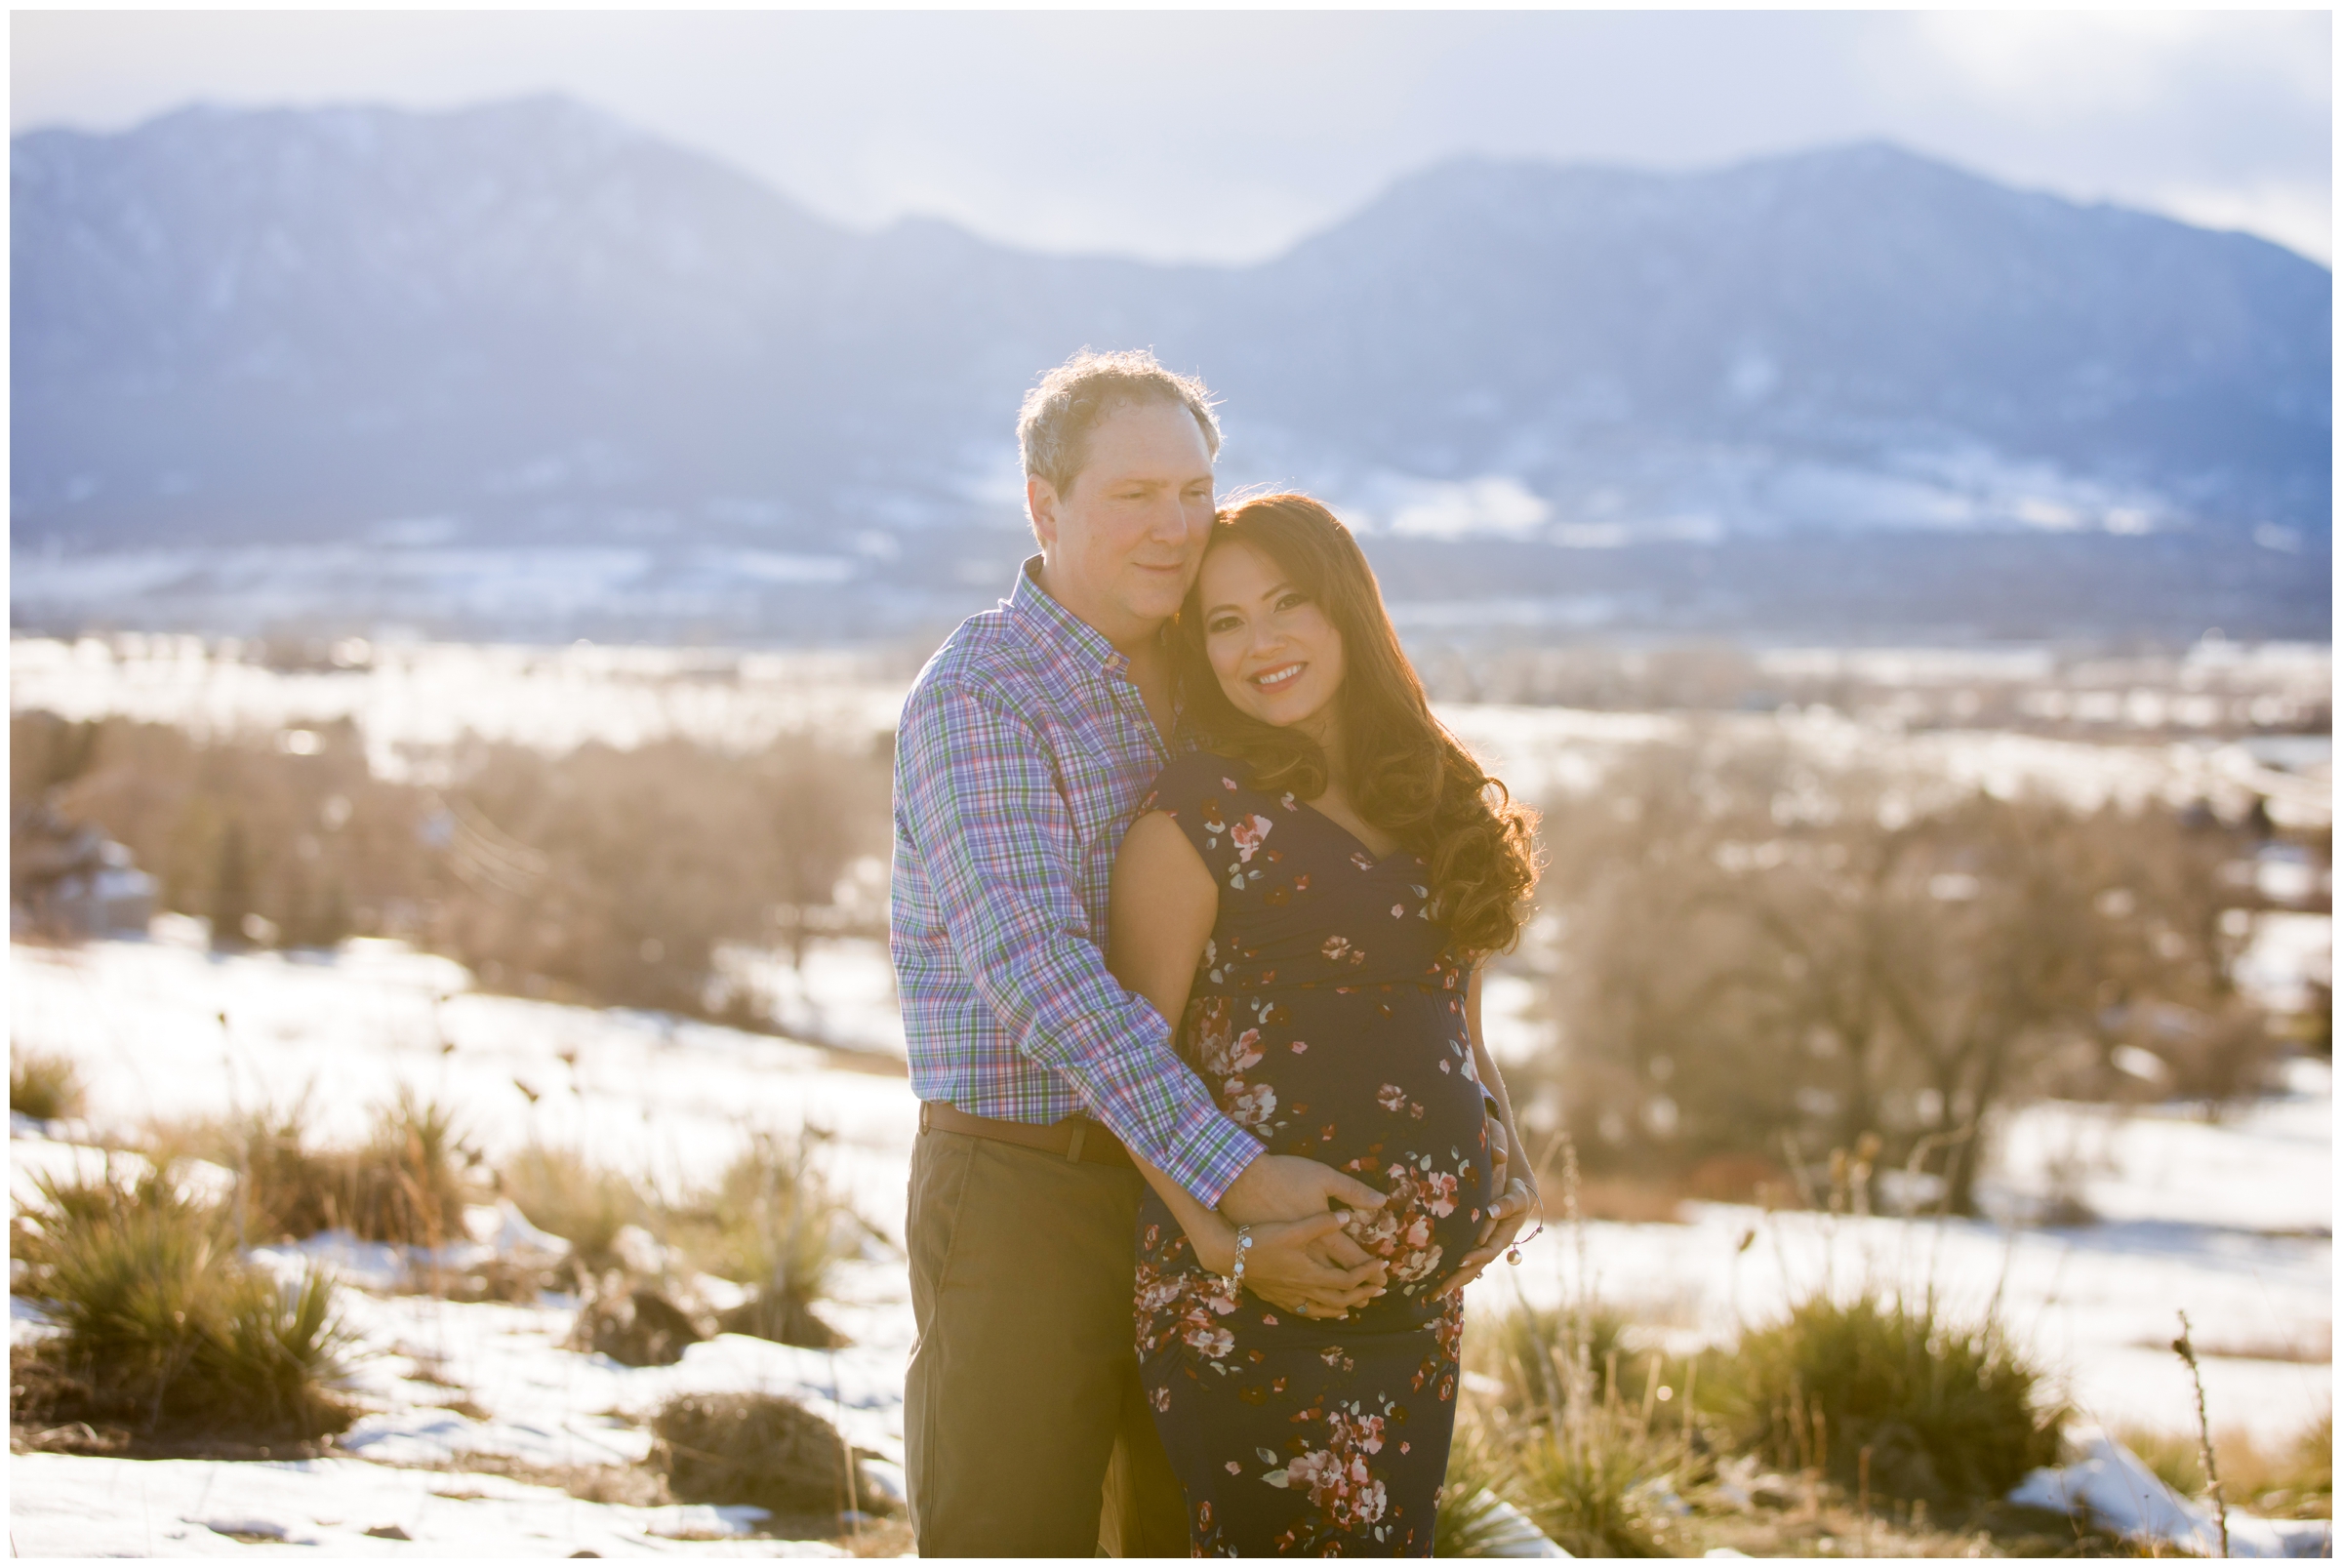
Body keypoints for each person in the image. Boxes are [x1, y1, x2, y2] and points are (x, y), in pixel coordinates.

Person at [891, 351, 1401, 1556]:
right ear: (1043, 503)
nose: (1176, 527)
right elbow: (1037, 966)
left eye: (1194, 491)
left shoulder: (1223, 665)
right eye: (1135, 496)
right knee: (1010, 1538)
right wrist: (1230, 1172)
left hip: (1202, 1190)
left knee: (1187, 1532)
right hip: (1029, 1191)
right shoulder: (981, 696)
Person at [1108, 492, 1543, 1555]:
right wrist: (1226, 1244)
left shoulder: (1436, 798)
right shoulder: (1194, 816)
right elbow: (1127, 1068)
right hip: (1256, 1301)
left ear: (1346, 606)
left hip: (1419, 1309)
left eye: (1286, 603)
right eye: (1223, 621)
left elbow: (1456, 1024)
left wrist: (1510, 1156)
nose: (1261, 643)